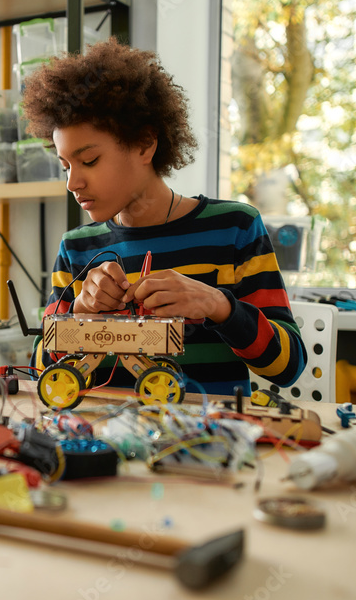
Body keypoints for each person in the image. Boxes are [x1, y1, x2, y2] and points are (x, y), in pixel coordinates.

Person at [21, 37, 306, 396]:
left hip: (204, 443)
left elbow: (289, 366)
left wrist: (219, 306)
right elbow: (38, 373)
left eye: (89, 161)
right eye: (65, 166)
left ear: (144, 144)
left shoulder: (235, 229)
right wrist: (79, 312)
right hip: (105, 442)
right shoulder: (77, 249)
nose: (72, 182)